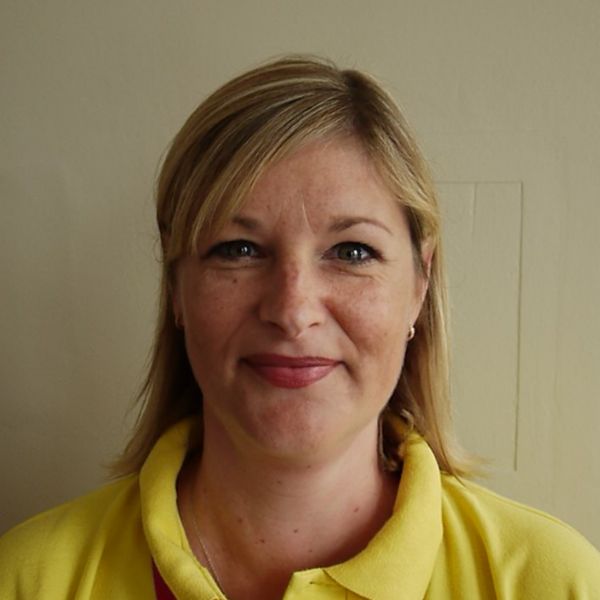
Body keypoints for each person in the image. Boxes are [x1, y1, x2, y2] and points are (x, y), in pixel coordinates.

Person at [1, 55, 599, 600]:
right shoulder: (28, 579)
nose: (292, 310)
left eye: (352, 252)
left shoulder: (554, 583)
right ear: (176, 286)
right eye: (238, 249)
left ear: (420, 286)